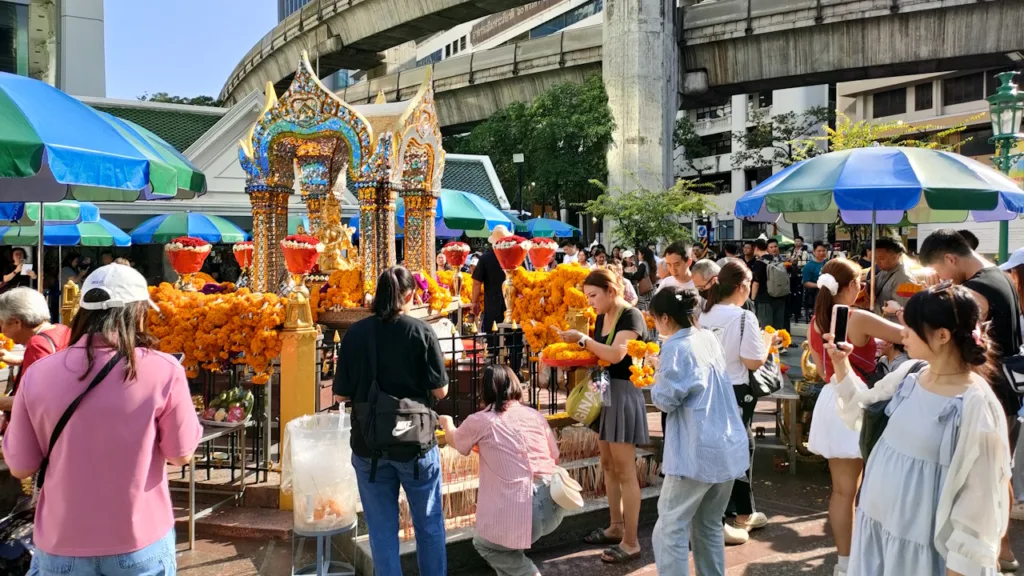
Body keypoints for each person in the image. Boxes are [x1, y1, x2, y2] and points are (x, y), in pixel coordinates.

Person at [3, 263, 202, 575]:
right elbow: (181, 454)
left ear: (83, 312)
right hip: (138, 538)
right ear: (138, 312)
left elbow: (20, 466)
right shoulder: (164, 370)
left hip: (61, 540)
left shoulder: (38, 374)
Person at [824, 284, 1011, 575]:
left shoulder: (975, 404)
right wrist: (841, 363)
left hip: (921, 547)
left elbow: (979, 502)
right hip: (878, 529)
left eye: (911, 328)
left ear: (942, 335)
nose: (903, 334)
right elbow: (861, 410)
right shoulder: (911, 374)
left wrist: (960, 568)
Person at [333, 267, 449, 576]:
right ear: (410, 295)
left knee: (381, 531)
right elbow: (440, 390)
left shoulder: (355, 334)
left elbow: (341, 394)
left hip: (369, 445)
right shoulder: (421, 331)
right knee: (429, 524)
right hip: (415, 445)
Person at [920, 228, 1023, 571]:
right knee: (1000, 472)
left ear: (951, 258)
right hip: (1005, 392)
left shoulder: (976, 291)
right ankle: (1003, 550)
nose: (942, 277)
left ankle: (991, 552)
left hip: (988, 392)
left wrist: (929, 304)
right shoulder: (1000, 275)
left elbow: (949, 340)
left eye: (940, 269)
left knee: (983, 477)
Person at [806, 259, 904, 576]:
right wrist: (899, 314)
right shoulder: (858, 317)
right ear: (849, 286)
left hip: (831, 398)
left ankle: (845, 563)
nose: (861, 288)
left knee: (842, 491)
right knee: (874, 488)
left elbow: (821, 367)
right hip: (861, 400)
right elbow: (909, 335)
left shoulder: (816, 322)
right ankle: (871, 559)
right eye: (859, 283)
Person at [649, 286, 749, 575]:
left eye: (655, 318)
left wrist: (657, 372)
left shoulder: (675, 346)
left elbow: (666, 400)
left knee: (670, 528)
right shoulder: (707, 337)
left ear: (665, 318)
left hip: (696, 449)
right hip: (726, 442)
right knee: (708, 525)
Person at [558, 268, 648, 564]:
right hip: (605, 391)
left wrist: (582, 340)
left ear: (611, 291)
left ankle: (631, 541)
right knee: (608, 464)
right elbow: (599, 357)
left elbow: (615, 355)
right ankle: (615, 526)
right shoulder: (600, 317)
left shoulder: (630, 316)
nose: (590, 302)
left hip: (623, 393)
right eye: (587, 296)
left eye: (593, 295)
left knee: (625, 469)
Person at [439, 365, 564, 576]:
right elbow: (555, 457)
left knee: (486, 545)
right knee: (507, 548)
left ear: (484, 389)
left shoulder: (481, 420)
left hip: (524, 509)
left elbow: (457, 441)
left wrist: (447, 424)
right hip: (555, 503)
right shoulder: (534, 415)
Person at [699, 261, 775, 544]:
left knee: (721, 449)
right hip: (735, 390)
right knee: (736, 451)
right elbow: (753, 360)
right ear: (743, 286)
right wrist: (768, 343)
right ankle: (725, 519)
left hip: (708, 388)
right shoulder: (743, 317)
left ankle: (737, 513)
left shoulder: (704, 314)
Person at [0, 288, 72, 414]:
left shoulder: (37, 344)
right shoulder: (62, 330)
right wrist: (20, 361)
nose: (2, 330)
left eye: (2, 324)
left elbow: (34, 401)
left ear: (17, 322)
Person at [871, 237, 913, 320]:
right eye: (875, 258)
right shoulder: (884, 271)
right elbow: (873, 282)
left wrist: (872, 305)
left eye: (881, 258)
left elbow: (904, 312)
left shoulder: (905, 279)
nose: (877, 262)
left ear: (895, 257)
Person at [750, 238, 786, 330]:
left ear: (756, 248)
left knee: (766, 328)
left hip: (764, 299)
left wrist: (752, 299)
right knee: (778, 328)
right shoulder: (776, 260)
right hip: (780, 296)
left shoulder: (759, 263)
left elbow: (756, 283)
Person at [802, 241, 829, 321]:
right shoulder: (809, 266)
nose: (821, 253)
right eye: (819, 251)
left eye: (823, 251)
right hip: (816, 294)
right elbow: (806, 283)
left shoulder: (829, 264)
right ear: (814, 252)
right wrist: (819, 285)